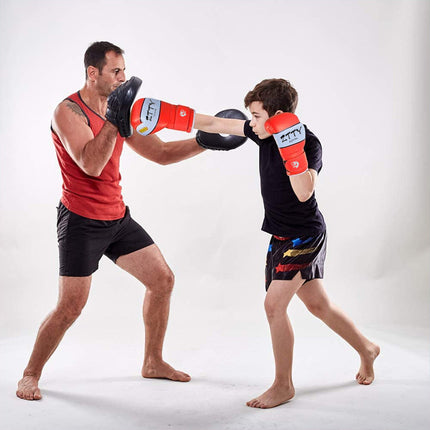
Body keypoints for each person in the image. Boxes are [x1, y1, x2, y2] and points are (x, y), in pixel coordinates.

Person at [16, 41, 245, 401]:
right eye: (115, 71)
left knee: (162, 280)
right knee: (71, 306)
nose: (122, 78)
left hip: (117, 218)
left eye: (124, 70)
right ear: (93, 73)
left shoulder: (117, 110)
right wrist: (114, 120)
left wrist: (205, 141)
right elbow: (90, 164)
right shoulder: (67, 113)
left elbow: (162, 153)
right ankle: (30, 374)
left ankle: (153, 361)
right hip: (81, 222)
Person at [187, 78, 380, 409]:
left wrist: (292, 149)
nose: (251, 123)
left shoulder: (308, 143)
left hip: (305, 234)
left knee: (274, 306)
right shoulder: (262, 135)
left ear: (277, 116)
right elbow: (217, 123)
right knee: (318, 304)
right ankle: (366, 348)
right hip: (280, 234)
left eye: (257, 116)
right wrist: (166, 115)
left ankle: (283, 385)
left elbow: (304, 192)